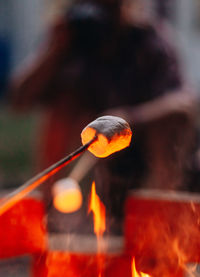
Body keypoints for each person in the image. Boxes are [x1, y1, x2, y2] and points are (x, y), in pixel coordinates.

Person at [9, 0, 197, 232]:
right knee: (63, 109)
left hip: (143, 160)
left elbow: (183, 105)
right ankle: (54, 221)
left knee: (168, 126)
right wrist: (54, 51)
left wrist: (129, 118)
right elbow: (19, 100)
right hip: (93, 167)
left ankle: (158, 228)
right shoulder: (73, 41)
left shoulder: (148, 42)